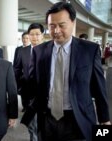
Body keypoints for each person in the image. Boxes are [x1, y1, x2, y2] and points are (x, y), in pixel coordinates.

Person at [23, 2, 111, 141]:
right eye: (52, 26)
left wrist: (105, 122)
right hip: (47, 120)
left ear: (73, 22)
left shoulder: (90, 50)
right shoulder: (39, 52)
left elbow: (99, 89)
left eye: (61, 25)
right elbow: (33, 84)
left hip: (78, 120)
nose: (56, 30)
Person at [15, 23, 44, 141]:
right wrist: (15, 86)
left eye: (37, 34)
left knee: (42, 123)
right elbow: (16, 68)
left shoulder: (50, 49)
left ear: (42, 35)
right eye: (32, 34)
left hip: (44, 94)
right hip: (28, 93)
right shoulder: (23, 51)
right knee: (31, 123)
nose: (34, 37)